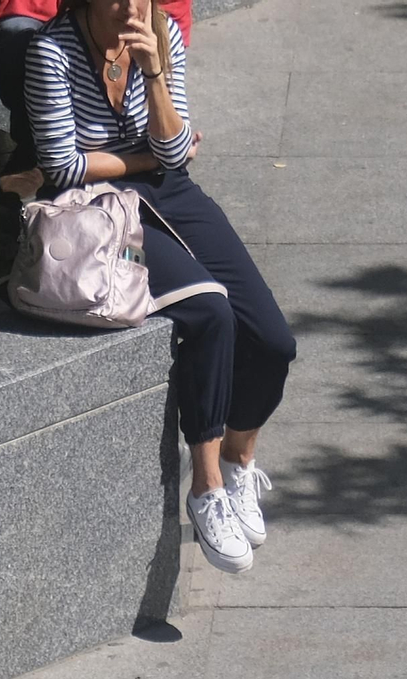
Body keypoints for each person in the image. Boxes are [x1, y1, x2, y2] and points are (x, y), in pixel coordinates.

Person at [25, 0, 293, 575]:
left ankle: (240, 459)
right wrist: (144, 157)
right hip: (101, 210)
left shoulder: (162, 33)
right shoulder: (51, 51)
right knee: (210, 314)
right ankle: (206, 487)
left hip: (170, 192)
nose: (128, 7)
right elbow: (62, 166)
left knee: (273, 340)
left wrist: (154, 72)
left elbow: (174, 152)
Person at [0, 0, 191, 181]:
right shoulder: (48, 49)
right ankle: (35, 145)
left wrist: (160, 72)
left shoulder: (148, 17)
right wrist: (150, 160)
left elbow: (166, 15)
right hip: (49, 31)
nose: (131, 7)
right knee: (13, 38)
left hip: (119, 27)